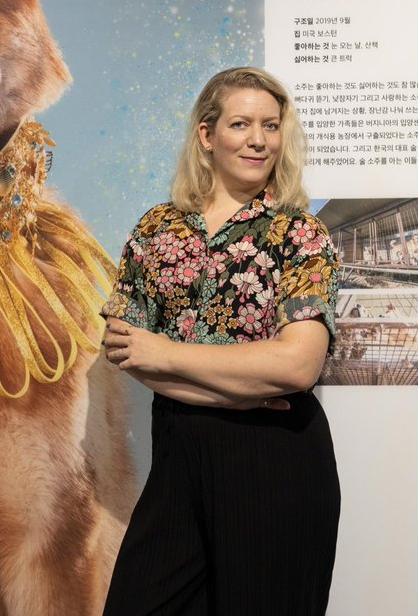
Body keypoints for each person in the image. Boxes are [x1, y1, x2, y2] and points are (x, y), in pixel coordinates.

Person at [100, 67, 341, 615]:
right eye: (241, 123)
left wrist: (166, 353)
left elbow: (298, 366)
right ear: (207, 136)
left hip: (276, 462)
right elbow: (122, 346)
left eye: (271, 126)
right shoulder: (157, 229)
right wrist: (234, 391)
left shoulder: (299, 234)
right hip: (179, 456)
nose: (259, 140)